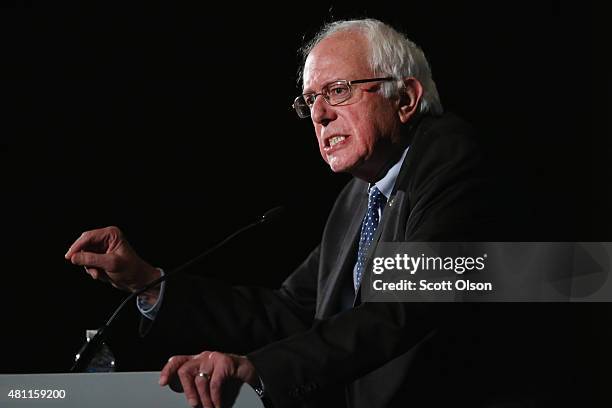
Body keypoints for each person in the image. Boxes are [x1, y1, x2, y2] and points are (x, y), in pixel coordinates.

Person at [65, 19, 564, 408]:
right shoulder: (358, 198)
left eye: (339, 91)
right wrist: (151, 283)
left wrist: (257, 370)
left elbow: (402, 309)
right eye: (310, 100)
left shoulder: (455, 162)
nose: (320, 114)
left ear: (407, 98)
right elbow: (295, 313)